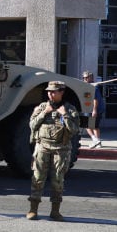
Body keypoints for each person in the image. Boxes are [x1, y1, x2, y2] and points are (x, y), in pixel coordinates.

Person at [26, 80, 79, 221]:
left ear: (61, 92)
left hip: (61, 149)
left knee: (58, 180)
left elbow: (74, 130)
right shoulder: (42, 107)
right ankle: (33, 210)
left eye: (54, 91)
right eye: (49, 91)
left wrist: (64, 115)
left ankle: (55, 211)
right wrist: (44, 113)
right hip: (42, 147)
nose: (50, 94)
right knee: (37, 178)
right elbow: (32, 125)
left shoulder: (70, 109)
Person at [83, 70, 104, 148]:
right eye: (84, 78)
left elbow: (95, 99)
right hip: (89, 108)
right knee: (94, 126)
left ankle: (95, 140)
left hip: (94, 109)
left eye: (86, 78)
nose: (84, 79)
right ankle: (97, 142)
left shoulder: (94, 87)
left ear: (91, 78)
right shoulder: (87, 86)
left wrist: (94, 110)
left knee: (88, 125)